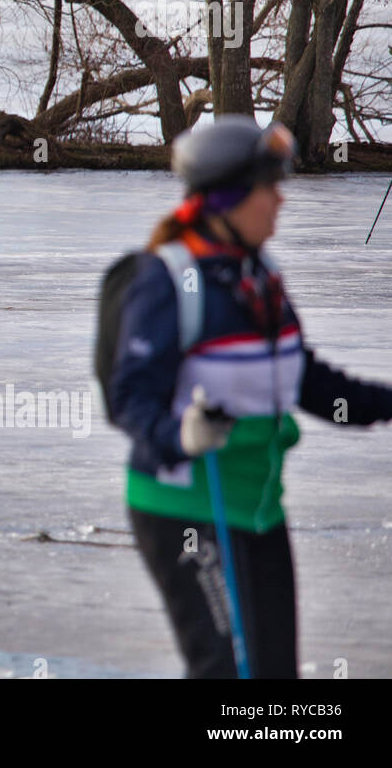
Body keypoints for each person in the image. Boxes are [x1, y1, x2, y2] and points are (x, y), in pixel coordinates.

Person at [108, 116, 392, 678]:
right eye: (270, 188)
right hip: (187, 508)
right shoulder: (167, 280)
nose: (281, 202)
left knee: (271, 680)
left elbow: (304, 380)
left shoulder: (258, 275)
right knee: (228, 674)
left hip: (259, 508)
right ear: (230, 200)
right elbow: (129, 396)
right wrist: (180, 435)